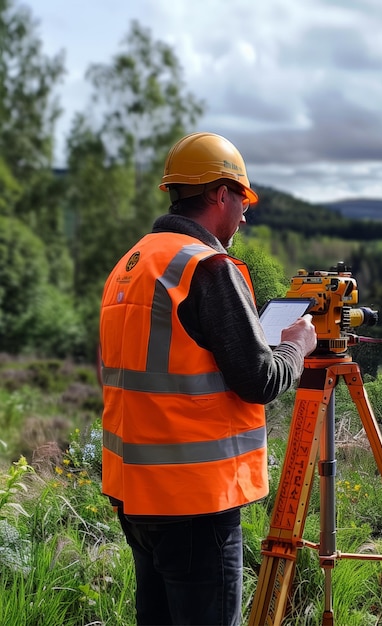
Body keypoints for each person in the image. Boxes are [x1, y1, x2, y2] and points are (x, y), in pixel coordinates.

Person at [99, 132, 317, 626]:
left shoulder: (131, 264)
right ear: (220, 193)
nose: (245, 213)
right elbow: (259, 380)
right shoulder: (209, 266)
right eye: (243, 198)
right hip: (194, 500)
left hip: (136, 490)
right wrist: (296, 346)